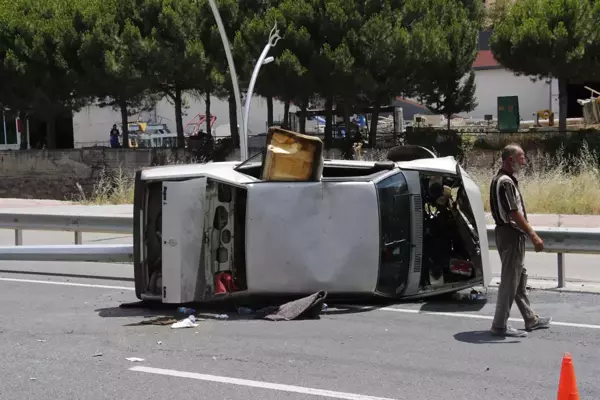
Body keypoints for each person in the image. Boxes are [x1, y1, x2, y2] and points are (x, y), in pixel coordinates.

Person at [489, 143, 551, 337]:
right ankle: (499, 325)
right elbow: (513, 212)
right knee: (510, 280)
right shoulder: (505, 181)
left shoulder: (501, 179)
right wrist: (533, 234)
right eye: (522, 157)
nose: (524, 161)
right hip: (510, 234)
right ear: (511, 160)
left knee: (518, 276)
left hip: (507, 234)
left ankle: (530, 318)